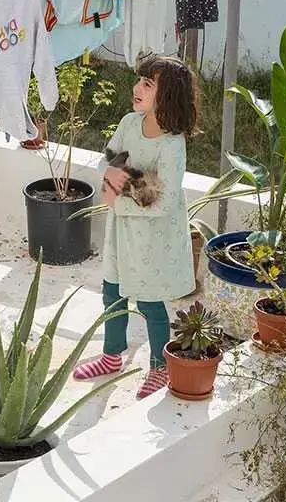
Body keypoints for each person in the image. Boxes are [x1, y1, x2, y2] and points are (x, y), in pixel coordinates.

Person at [71, 53, 200, 399]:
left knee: (149, 301)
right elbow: (109, 157)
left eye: (147, 83)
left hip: (152, 236)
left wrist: (120, 195)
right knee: (112, 291)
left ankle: (161, 366)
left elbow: (165, 203)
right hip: (122, 230)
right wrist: (114, 176)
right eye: (138, 80)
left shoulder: (172, 146)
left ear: (167, 94)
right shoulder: (130, 123)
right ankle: (113, 355)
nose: (136, 87)